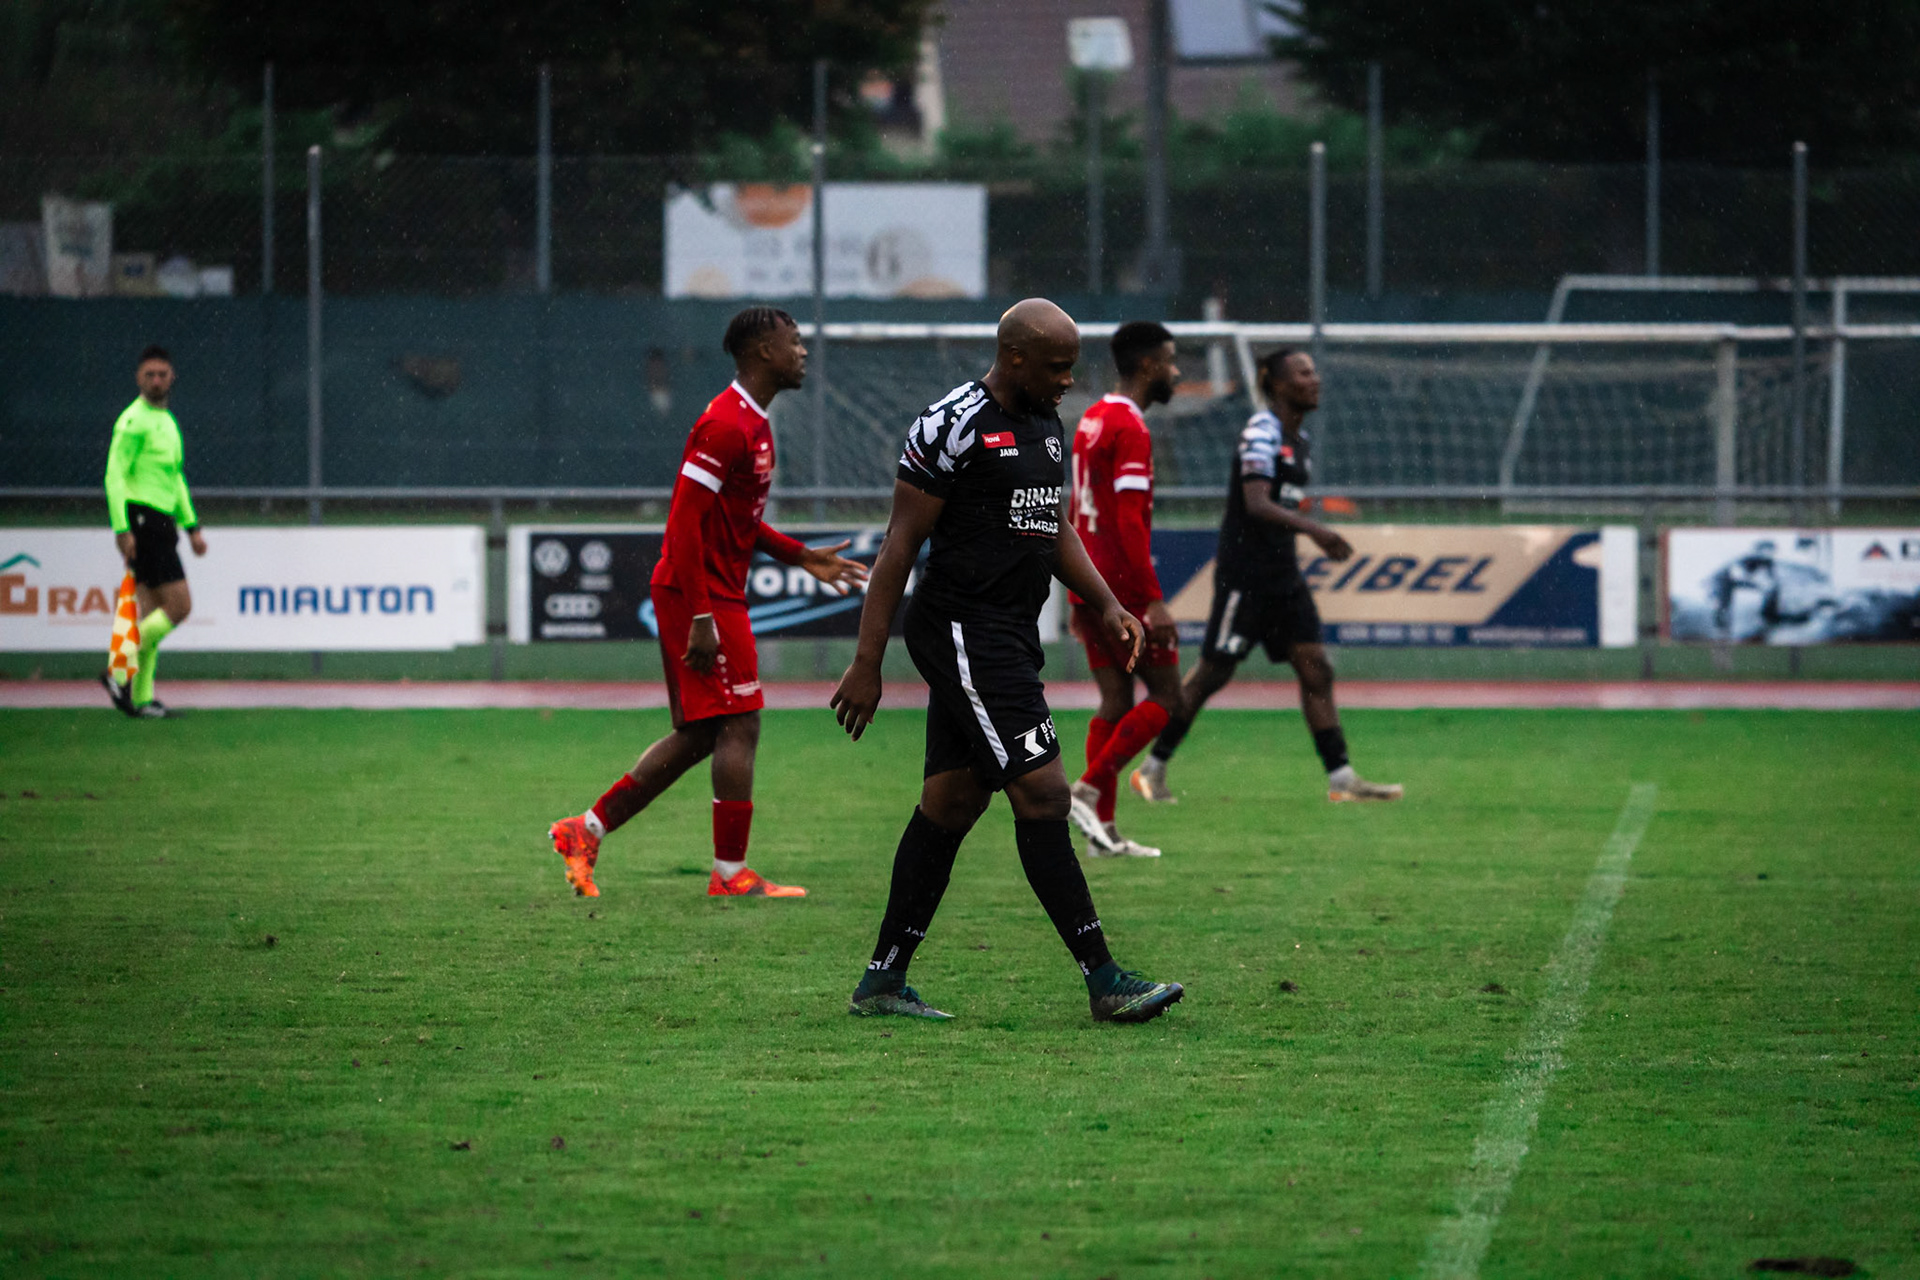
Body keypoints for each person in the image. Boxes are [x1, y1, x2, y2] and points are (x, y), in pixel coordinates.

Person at [831, 298, 1185, 1024]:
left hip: (1007, 633)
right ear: (1014, 357)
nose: (1067, 381)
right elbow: (898, 548)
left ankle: (883, 980)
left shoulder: (1043, 420)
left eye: (1072, 368)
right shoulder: (950, 424)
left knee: (952, 803)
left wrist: (1111, 602)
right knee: (1047, 796)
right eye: (1056, 368)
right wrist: (867, 661)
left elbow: (1050, 524)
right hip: (964, 631)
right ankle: (1104, 978)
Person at [547, 307, 868, 899]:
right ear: (762, 352)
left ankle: (584, 829)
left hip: (712, 591)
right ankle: (729, 875)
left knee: (703, 734)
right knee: (742, 721)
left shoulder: (755, 423)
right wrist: (700, 616)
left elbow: (737, 520)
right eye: (792, 343)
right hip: (701, 595)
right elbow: (684, 523)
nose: (802, 352)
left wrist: (801, 556)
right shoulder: (725, 425)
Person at [1132, 349, 1402, 804]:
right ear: (1275, 384)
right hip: (1246, 575)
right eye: (1303, 373)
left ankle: (1342, 780)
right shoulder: (1261, 431)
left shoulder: (1303, 439)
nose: (1314, 379)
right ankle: (1151, 769)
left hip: (1282, 575)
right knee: (1211, 676)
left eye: (1315, 371)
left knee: (1317, 668)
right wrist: (1316, 530)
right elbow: (1256, 504)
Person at [1064, 321, 1182, 858]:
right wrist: (1153, 597)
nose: (1177, 372)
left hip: (1087, 579)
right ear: (1148, 366)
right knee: (1167, 696)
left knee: (1115, 700)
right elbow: (1130, 520)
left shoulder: (1092, 417)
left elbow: (1072, 507)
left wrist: (1072, 590)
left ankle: (1102, 833)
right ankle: (1087, 787)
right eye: (1172, 361)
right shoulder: (1130, 427)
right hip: (1122, 587)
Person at [100, 345, 204, 719]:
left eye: (162, 374)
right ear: (138, 378)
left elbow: (174, 479)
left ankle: (142, 699)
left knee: (152, 613)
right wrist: (121, 527)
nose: (156, 380)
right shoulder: (133, 421)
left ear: (172, 377)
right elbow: (113, 475)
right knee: (179, 607)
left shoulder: (167, 421)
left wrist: (191, 526)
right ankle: (117, 670)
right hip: (143, 520)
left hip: (162, 522)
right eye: (150, 374)